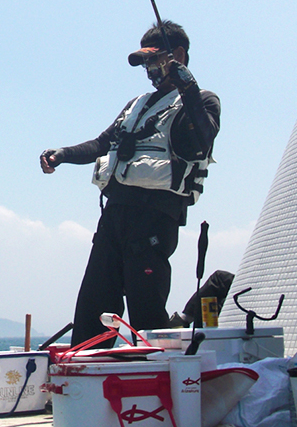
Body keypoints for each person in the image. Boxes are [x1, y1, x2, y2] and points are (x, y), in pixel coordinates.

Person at [40, 20, 220, 347]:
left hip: (154, 220)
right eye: (145, 63)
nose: (149, 69)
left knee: (146, 311)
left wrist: (189, 89)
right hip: (114, 217)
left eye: (154, 60)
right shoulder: (135, 105)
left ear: (178, 55)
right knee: (94, 305)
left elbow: (201, 141)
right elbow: (102, 143)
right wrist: (62, 154)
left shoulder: (203, 101)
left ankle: (163, 371)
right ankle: (85, 375)